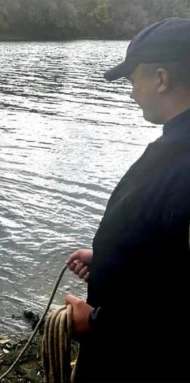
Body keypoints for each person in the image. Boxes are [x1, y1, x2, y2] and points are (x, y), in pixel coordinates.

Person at [63, 18, 190, 382]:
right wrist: (111, 261)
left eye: (133, 80)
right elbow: (172, 256)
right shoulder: (176, 147)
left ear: (162, 79)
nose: (132, 92)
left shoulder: (183, 162)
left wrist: (98, 323)